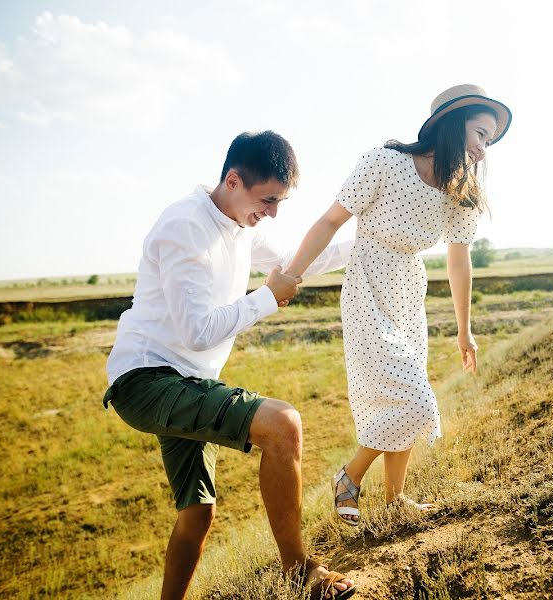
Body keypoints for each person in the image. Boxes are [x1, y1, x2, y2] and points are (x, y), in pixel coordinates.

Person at [103, 131, 357, 600]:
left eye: (280, 202)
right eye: (269, 200)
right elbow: (197, 330)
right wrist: (268, 297)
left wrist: (366, 242)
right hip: (146, 380)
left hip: (187, 380)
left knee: (198, 512)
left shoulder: (239, 225)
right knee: (283, 425)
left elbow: (291, 262)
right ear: (234, 180)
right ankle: (299, 571)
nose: (274, 212)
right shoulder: (185, 227)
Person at [284, 84, 512, 525]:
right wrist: (293, 275)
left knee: (401, 396)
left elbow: (459, 260)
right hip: (368, 283)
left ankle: (394, 500)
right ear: (452, 122)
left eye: (489, 140)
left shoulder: (460, 192)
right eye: (480, 133)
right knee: (415, 398)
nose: (484, 148)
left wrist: (465, 331)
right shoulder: (383, 163)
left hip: (409, 291)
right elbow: (331, 220)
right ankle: (349, 477)